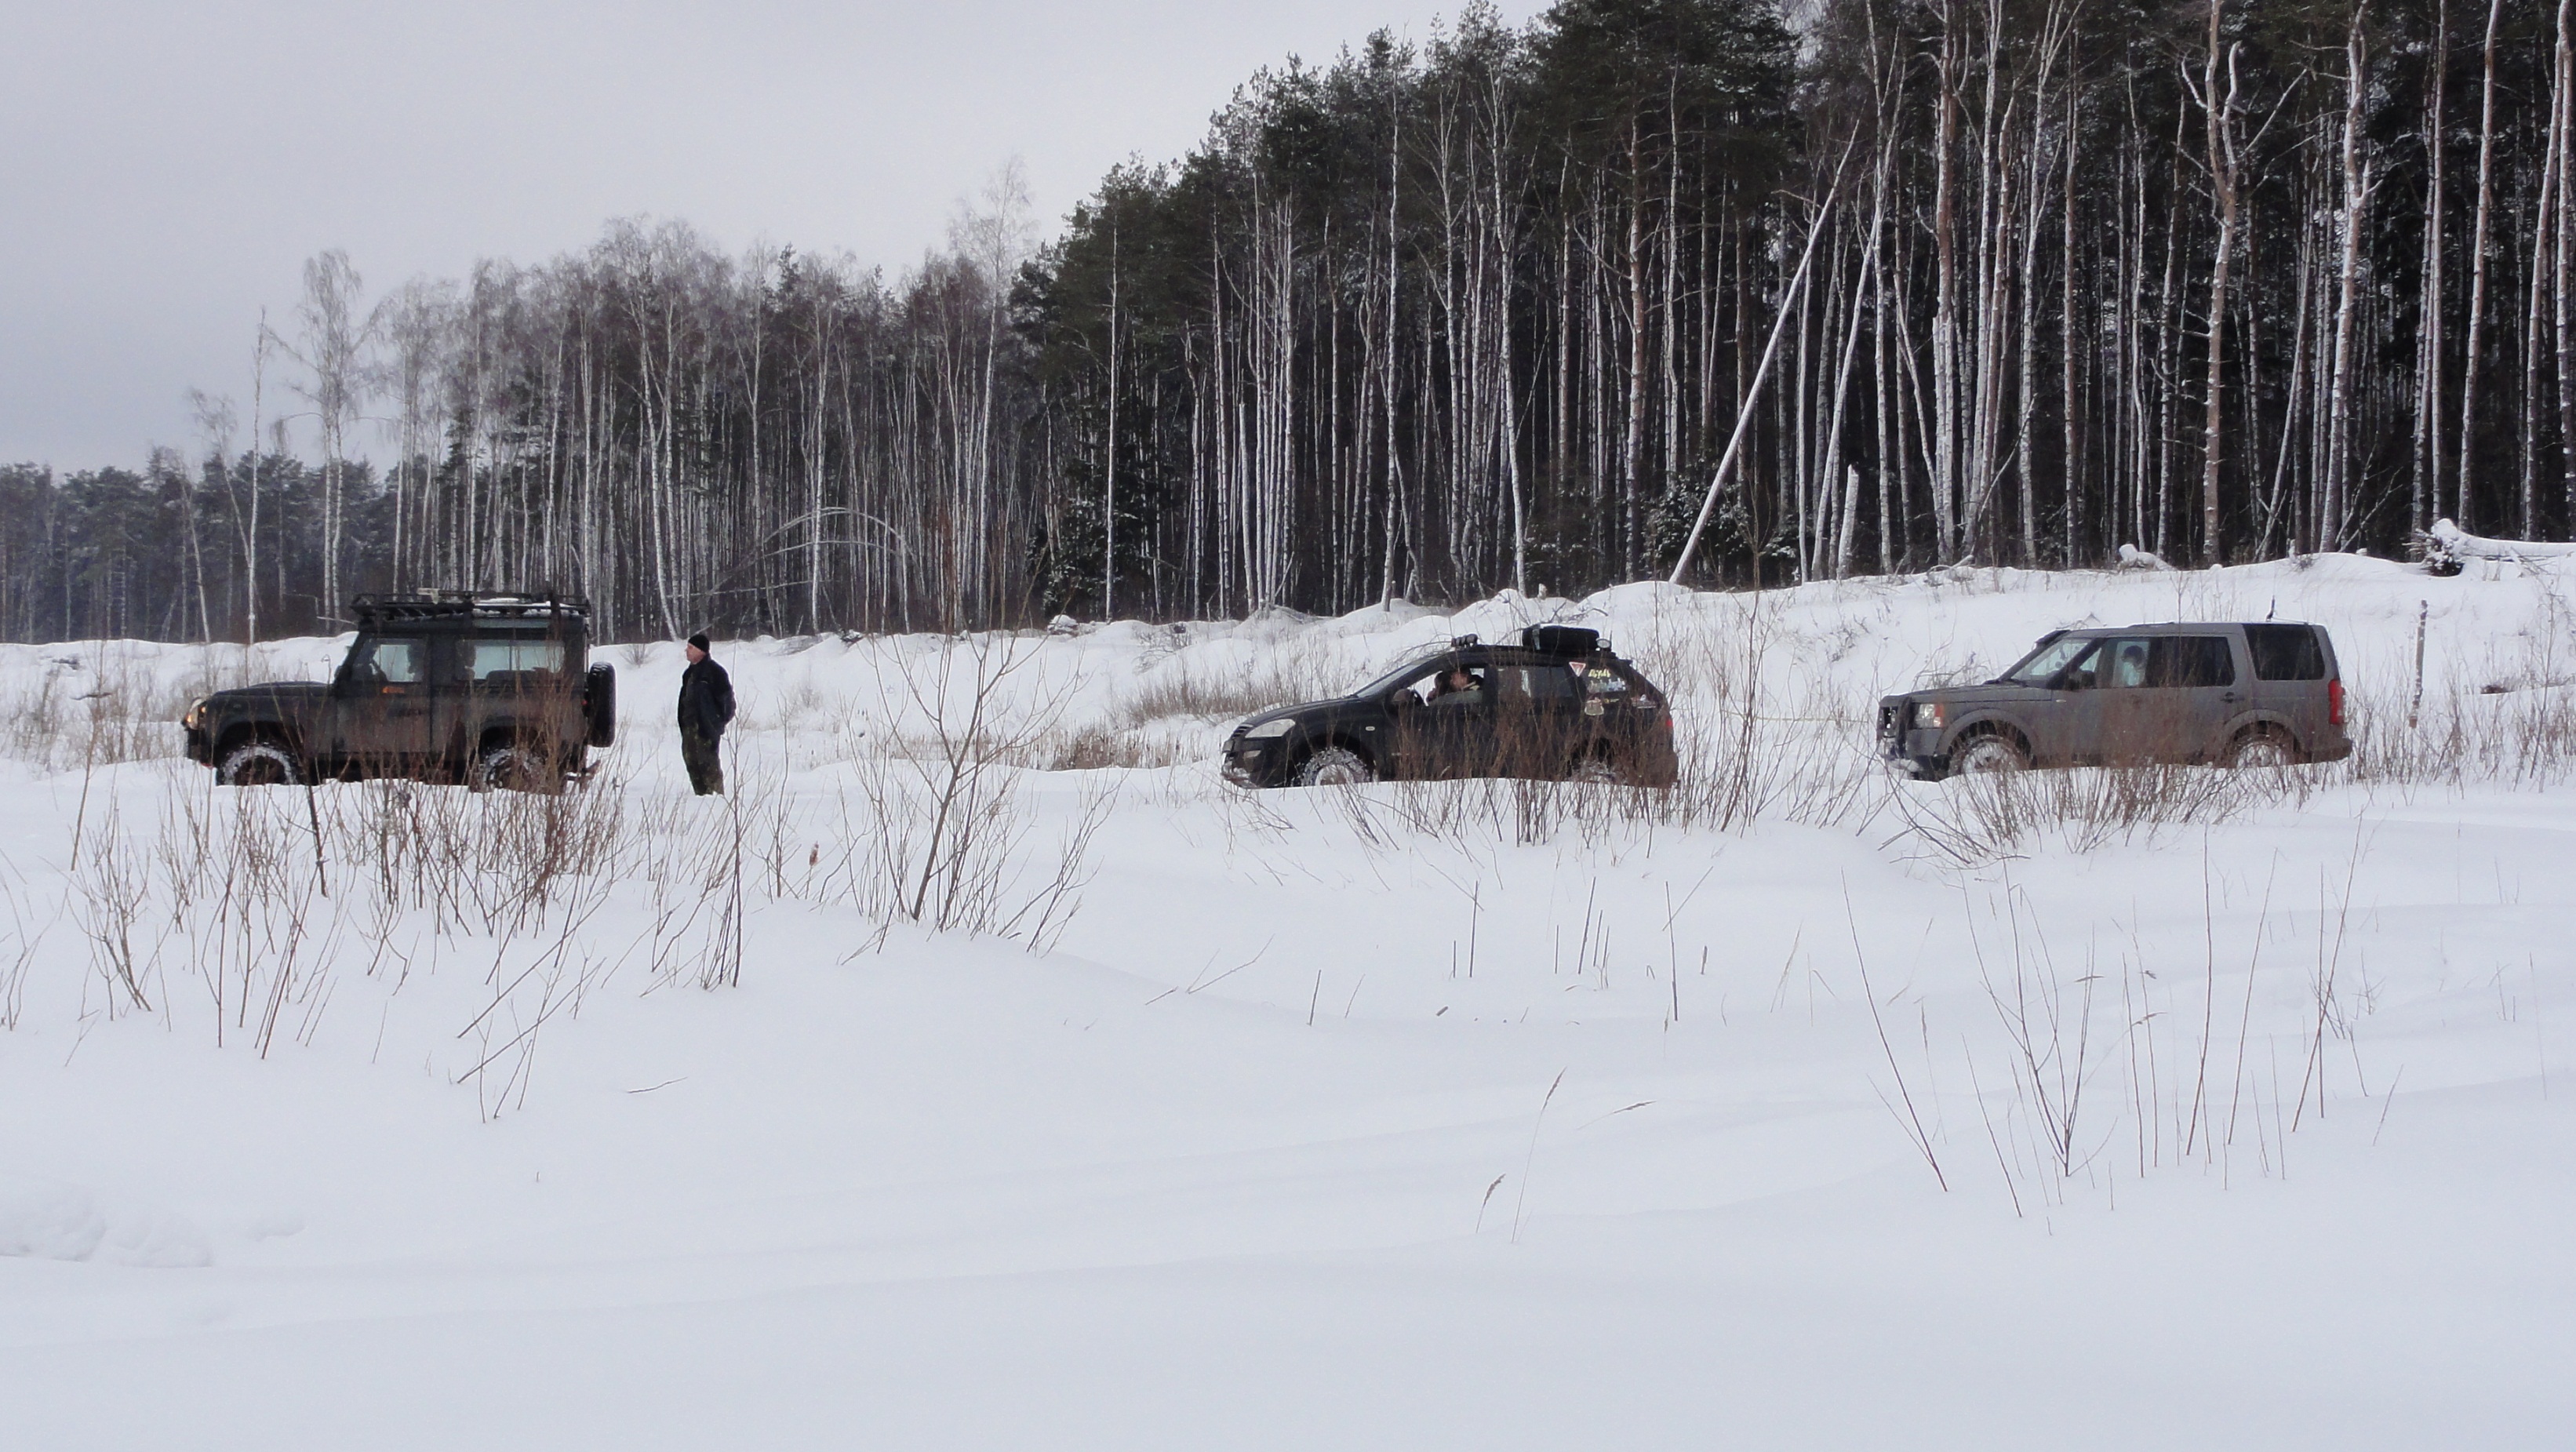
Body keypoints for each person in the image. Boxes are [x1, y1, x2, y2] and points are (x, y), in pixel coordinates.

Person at [677, 632, 734, 795]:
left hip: (706, 729)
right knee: (692, 765)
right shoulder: (689, 674)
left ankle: (715, 799)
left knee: (709, 767)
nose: (687, 651)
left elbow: (728, 703)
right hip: (689, 729)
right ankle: (700, 798)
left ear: (701, 650)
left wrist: (716, 723)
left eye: (690, 648)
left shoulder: (715, 672)